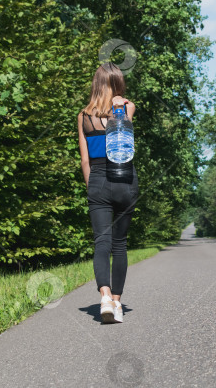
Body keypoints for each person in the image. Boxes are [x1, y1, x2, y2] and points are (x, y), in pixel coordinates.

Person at [77, 62, 139, 324]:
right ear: (118, 85)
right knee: (120, 244)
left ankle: (104, 296)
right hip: (124, 178)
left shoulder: (84, 116)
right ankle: (116, 301)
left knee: (101, 242)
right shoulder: (126, 109)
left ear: (96, 84)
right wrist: (121, 106)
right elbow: (121, 137)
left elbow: (85, 160)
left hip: (99, 179)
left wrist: (94, 188)